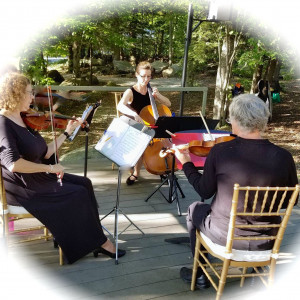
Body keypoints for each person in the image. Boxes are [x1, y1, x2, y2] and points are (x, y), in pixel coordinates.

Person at [173, 93, 298, 288]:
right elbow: (289, 201)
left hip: (225, 239)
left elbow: (204, 191)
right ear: (262, 120)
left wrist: (186, 163)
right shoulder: (284, 157)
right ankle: (257, 271)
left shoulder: (221, 152)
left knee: (195, 208)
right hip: (265, 242)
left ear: (236, 120)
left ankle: (200, 274)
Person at [0, 72, 126, 264]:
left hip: (38, 176)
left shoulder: (23, 118)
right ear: (15, 94)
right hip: (24, 186)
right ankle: (100, 242)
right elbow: (13, 164)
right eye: (29, 93)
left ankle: (92, 237)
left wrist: (67, 132)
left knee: (85, 183)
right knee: (77, 193)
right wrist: (49, 170)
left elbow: (46, 153)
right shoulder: (3, 124)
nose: (33, 97)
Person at [117, 61, 171, 185]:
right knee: (141, 141)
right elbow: (120, 106)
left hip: (150, 123)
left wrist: (158, 96)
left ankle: (163, 169)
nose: (146, 79)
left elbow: (168, 104)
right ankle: (136, 173)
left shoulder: (151, 90)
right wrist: (134, 114)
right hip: (135, 125)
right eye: (143, 76)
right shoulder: (130, 91)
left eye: (148, 76)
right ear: (136, 75)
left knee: (162, 136)